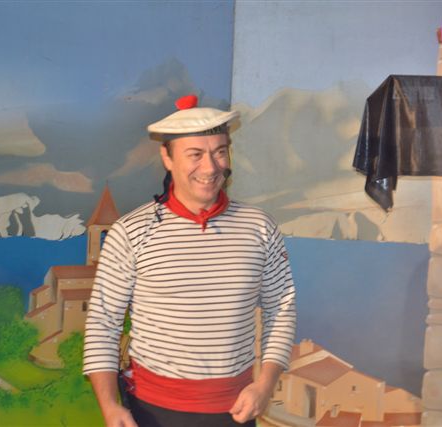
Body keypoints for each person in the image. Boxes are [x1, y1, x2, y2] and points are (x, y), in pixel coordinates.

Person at [83, 94, 296, 427]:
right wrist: (110, 406)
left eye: (220, 152)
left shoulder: (260, 227)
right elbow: (103, 323)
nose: (210, 167)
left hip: (236, 410)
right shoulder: (131, 232)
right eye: (195, 154)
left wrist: (265, 385)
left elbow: (280, 309)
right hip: (151, 412)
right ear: (167, 158)